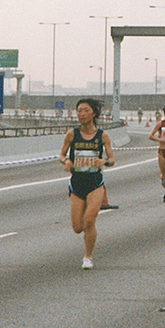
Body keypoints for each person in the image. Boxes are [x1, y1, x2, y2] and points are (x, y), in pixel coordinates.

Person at [59, 99, 115, 270]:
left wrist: (104, 161)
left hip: (95, 183)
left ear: (94, 114)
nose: (82, 114)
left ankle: (88, 256)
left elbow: (112, 159)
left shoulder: (102, 136)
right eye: (79, 111)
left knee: (89, 221)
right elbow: (61, 155)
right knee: (77, 227)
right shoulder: (72, 134)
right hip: (77, 184)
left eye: (85, 110)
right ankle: (87, 237)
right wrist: (67, 161)